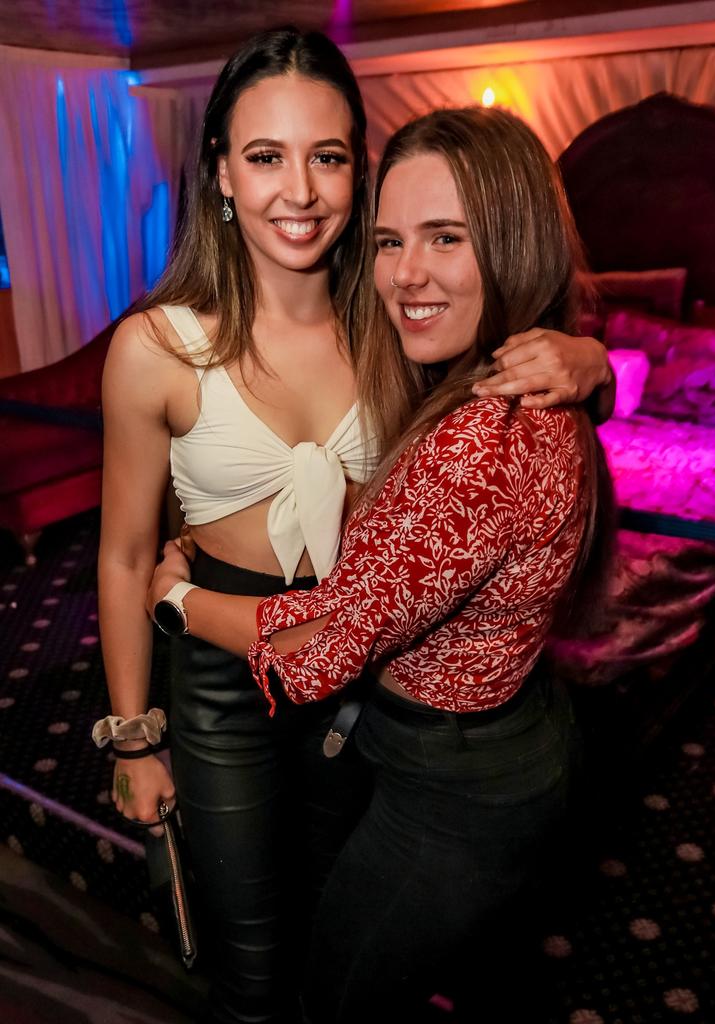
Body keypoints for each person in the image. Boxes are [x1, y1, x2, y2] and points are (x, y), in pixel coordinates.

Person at [95, 26, 614, 1024]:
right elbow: (123, 556)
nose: (300, 191)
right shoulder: (154, 348)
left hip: (359, 687)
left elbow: (509, 362)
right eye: (265, 156)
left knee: (340, 929)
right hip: (219, 670)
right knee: (251, 959)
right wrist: (131, 740)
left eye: (327, 157)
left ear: (356, 172)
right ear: (222, 174)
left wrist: (593, 360)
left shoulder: (394, 316)